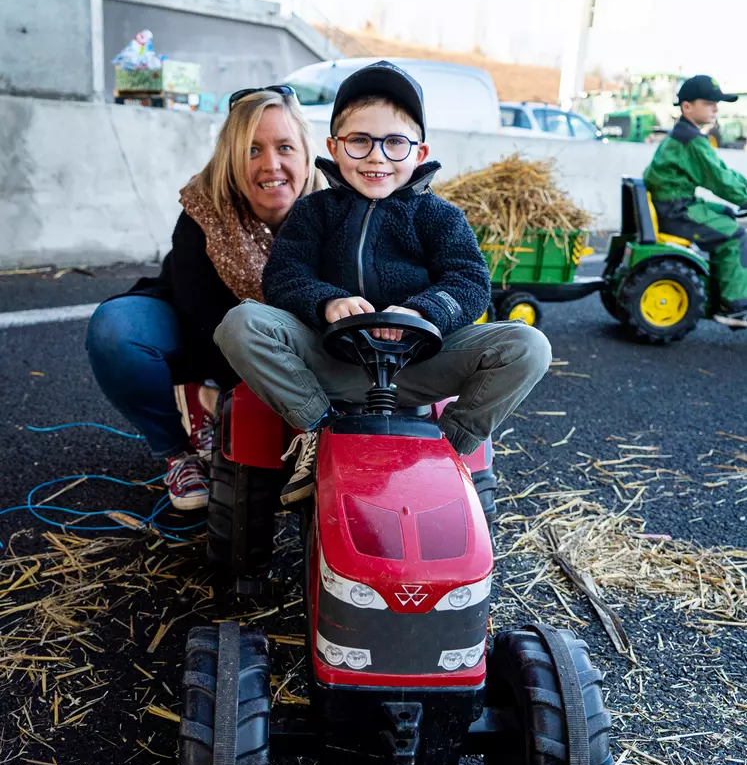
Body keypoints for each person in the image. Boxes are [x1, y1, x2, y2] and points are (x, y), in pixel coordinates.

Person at [214, 61, 552, 505]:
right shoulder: (315, 211)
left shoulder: (439, 216)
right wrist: (328, 302)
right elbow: (284, 276)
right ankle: (320, 431)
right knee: (241, 324)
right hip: (330, 361)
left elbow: (470, 282)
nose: (377, 156)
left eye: (394, 142)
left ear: (419, 150)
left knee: (528, 346)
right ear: (335, 147)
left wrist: (422, 311)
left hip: (416, 365)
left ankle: (447, 449)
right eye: (360, 141)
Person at [86, 86, 324, 509]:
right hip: (200, 332)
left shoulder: (336, 207)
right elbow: (203, 321)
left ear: (307, 154)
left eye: (285, 146)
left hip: (290, 344)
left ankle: (217, 406)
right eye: (252, 150)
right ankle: (179, 450)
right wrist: (225, 396)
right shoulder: (203, 209)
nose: (271, 164)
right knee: (115, 331)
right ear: (232, 163)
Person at [644, 74, 747, 317]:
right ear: (687, 106)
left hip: (673, 205)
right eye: (709, 103)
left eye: (717, 103)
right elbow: (719, 180)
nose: (716, 108)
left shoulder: (684, 135)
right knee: (736, 234)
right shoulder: (690, 140)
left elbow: (722, 171)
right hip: (676, 212)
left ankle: (722, 287)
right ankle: (734, 304)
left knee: (727, 215)